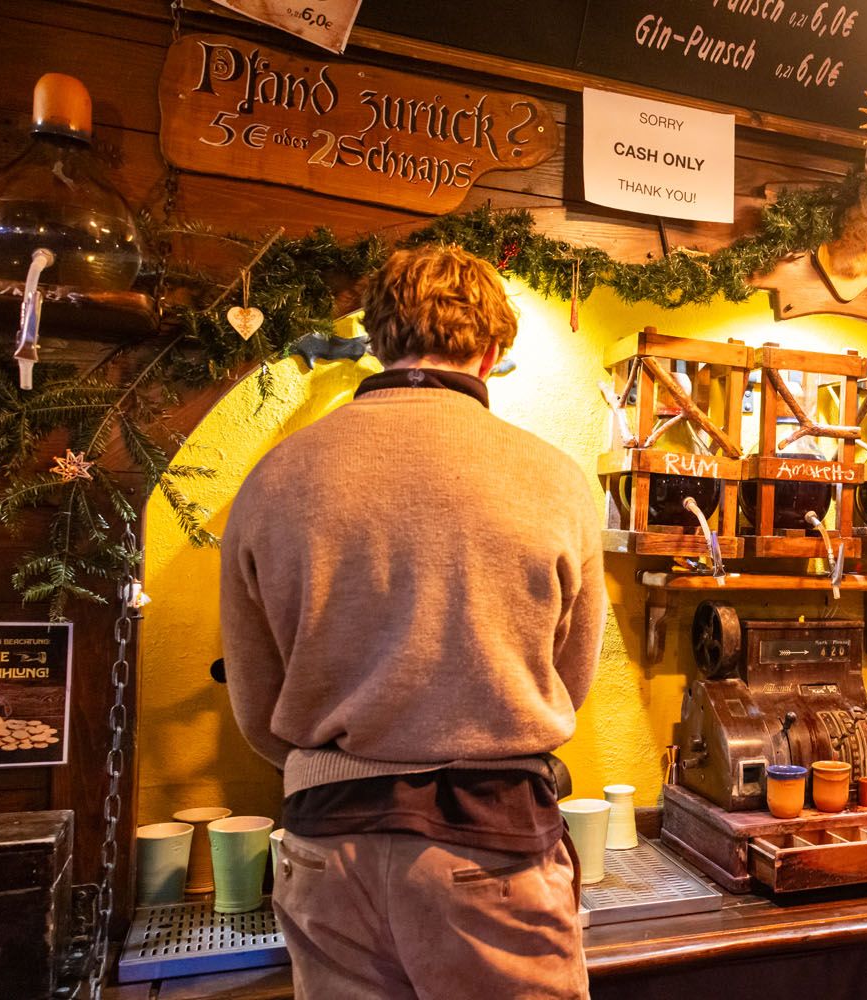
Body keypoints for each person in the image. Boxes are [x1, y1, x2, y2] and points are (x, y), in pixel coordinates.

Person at [220, 244, 606, 999]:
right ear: (493, 352)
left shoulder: (276, 476)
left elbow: (256, 706)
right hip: (492, 849)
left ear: (377, 335)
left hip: (327, 845)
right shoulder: (557, 481)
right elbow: (573, 679)